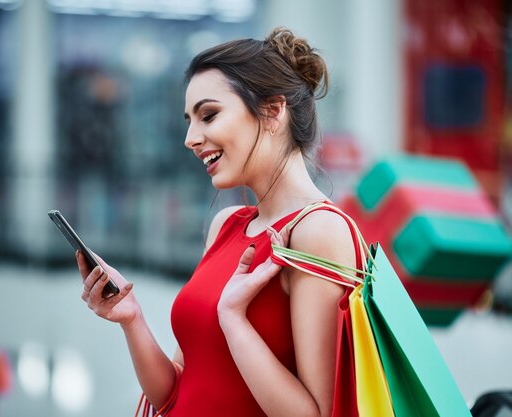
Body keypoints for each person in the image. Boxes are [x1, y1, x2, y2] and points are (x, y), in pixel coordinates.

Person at [76, 27, 361, 417]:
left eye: (208, 115)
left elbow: (318, 414)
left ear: (273, 111)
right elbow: (177, 391)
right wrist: (132, 317)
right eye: (189, 120)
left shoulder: (318, 232)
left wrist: (234, 321)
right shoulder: (226, 226)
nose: (191, 138)